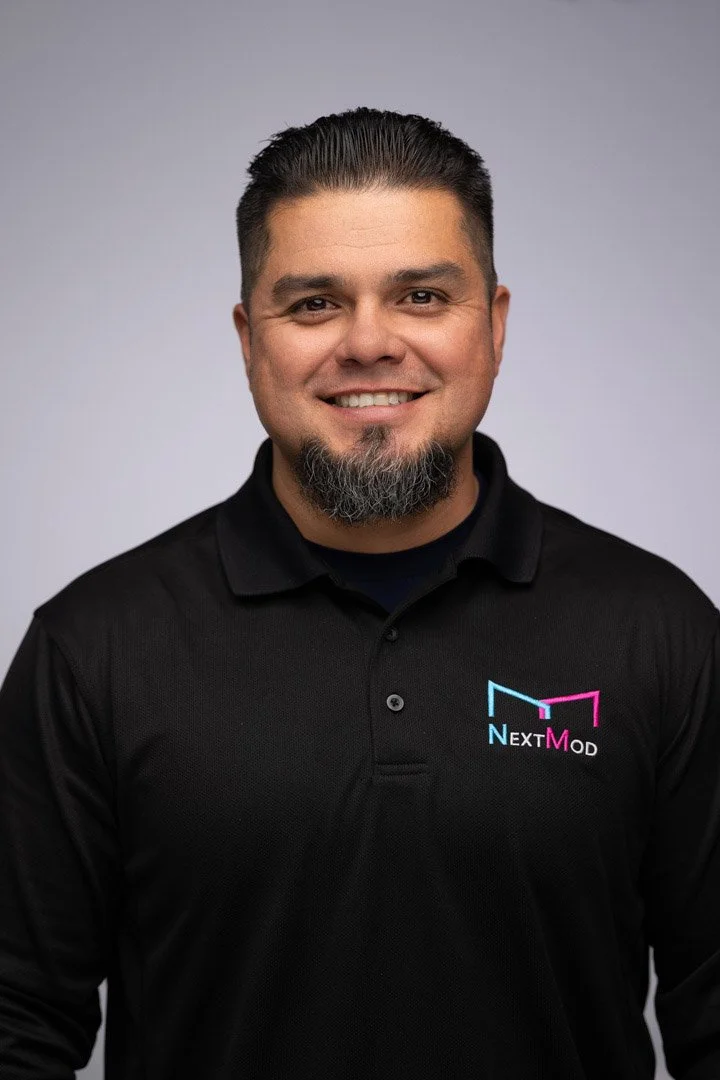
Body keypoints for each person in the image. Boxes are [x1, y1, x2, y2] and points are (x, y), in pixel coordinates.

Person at [0, 106, 718, 1080]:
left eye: (422, 296)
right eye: (314, 304)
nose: (370, 343)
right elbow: (15, 1026)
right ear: (251, 338)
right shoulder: (94, 650)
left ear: (494, 326)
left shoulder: (660, 633)